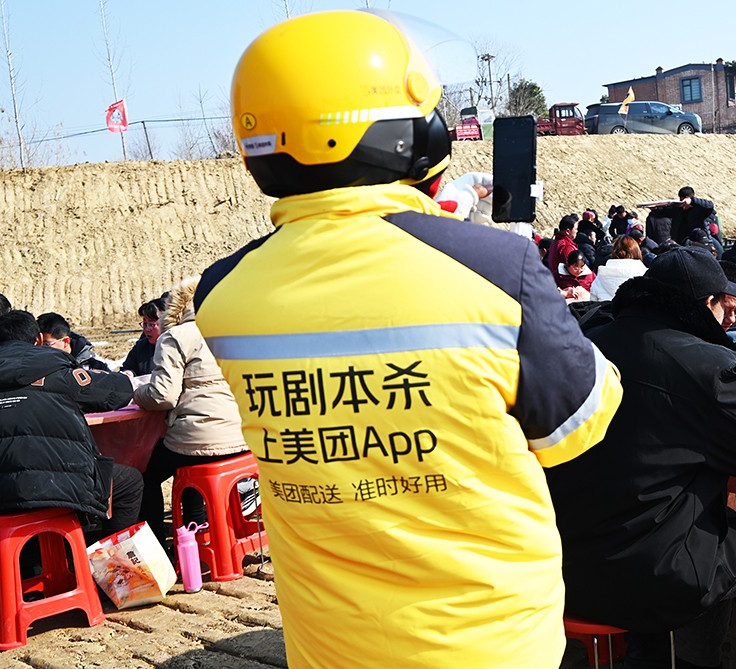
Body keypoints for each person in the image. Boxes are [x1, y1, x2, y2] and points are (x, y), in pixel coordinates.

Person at [192, 11, 623, 669]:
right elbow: (578, 427)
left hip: (328, 648)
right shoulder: (494, 268)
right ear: (408, 134)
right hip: (493, 644)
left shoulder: (222, 296)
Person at [546, 246, 736, 669]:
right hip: (645, 578)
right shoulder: (702, 364)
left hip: (558, 566)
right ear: (708, 303)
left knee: (710, 533)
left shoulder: (586, 343)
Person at [0, 310, 143, 541]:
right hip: (62, 486)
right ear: (39, 340)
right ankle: (100, 558)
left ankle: (25, 561)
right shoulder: (57, 371)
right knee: (129, 482)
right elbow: (119, 391)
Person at [133, 277, 250, 548]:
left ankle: (161, 549)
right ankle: (203, 537)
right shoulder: (231, 331)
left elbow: (162, 395)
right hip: (241, 437)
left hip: (201, 438)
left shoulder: (176, 336)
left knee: (145, 476)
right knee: (188, 462)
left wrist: (136, 393)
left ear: (176, 308)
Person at [36, 312, 110, 371]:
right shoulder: (35, 363)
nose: (40, 349)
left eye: (46, 344)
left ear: (66, 341)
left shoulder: (93, 366)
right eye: (37, 344)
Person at [649, 186, 719, 245]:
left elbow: (710, 205)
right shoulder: (678, 209)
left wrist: (692, 201)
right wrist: (656, 209)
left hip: (699, 242)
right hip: (682, 242)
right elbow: (665, 211)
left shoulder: (700, 209)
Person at [589, 234, 647, 301]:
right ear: (637, 251)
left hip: (607, 307)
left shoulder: (600, 277)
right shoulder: (644, 274)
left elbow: (593, 302)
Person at [121, 297, 166, 377]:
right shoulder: (141, 347)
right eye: (145, 323)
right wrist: (129, 373)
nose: (147, 329)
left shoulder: (177, 347)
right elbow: (129, 367)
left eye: (152, 324)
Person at [548, 214, 580, 288]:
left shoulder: (556, 242)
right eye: (575, 229)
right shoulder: (566, 246)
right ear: (568, 231)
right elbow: (574, 269)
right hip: (567, 286)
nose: (577, 231)